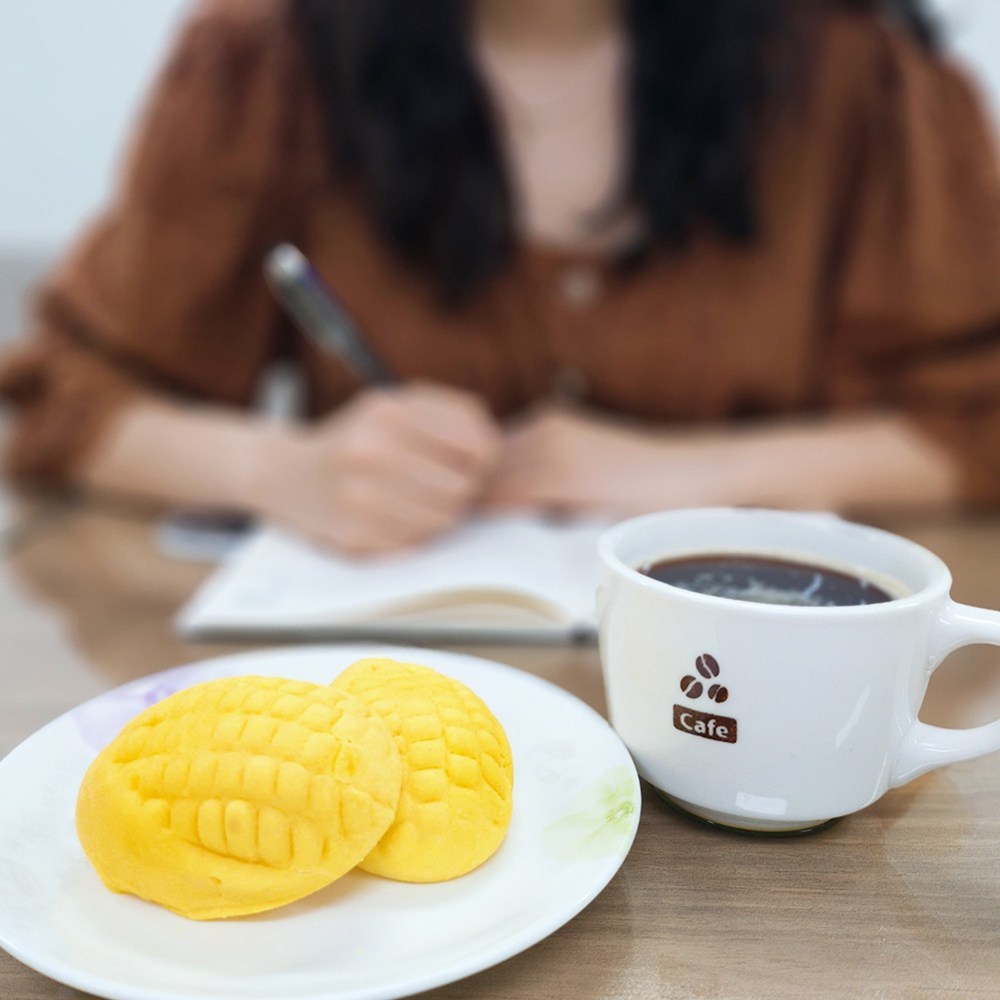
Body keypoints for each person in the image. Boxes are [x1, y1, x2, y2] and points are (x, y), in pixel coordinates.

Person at [2, 0, 1000, 555]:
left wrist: (672, 479)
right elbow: (66, 402)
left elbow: (974, 426)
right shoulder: (264, 62)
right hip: (370, 697)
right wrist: (286, 472)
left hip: (754, 707)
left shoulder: (855, 76)